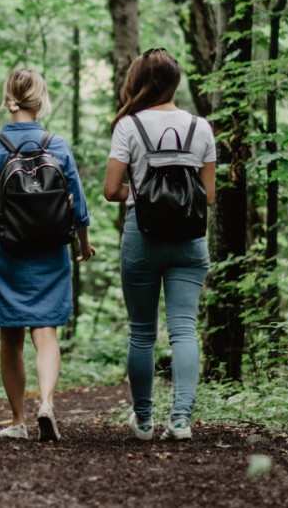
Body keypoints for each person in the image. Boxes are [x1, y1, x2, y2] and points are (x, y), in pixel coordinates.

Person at [0, 67, 95, 441]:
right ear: (39, 99)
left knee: (11, 337)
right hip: (50, 253)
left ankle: (19, 421)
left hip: (5, 254)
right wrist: (84, 242)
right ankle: (47, 403)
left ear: (8, 97)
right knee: (46, 332)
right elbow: (79, 206)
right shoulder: (56, 144)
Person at [101, 49, 216, 441]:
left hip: (142, 237)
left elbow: (110, 190)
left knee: (142, 333)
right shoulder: (200, 126)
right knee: (184, 330)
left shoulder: (129, 126)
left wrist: (143, 190)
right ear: (175, 81)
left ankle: (145, 421)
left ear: (139, 80)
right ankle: (181, 420)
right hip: (189, 240)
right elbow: (210, 195)